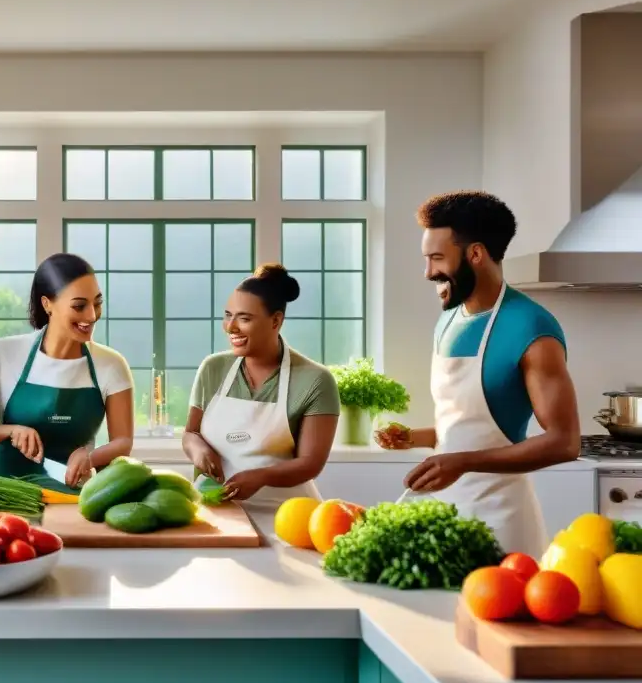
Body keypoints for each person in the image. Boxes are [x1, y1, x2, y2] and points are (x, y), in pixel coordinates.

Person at [375, 191, 581, 557]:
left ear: (475, 254)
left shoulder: (531, 327)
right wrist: (414, 437)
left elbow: (565, 442)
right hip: (443, 512)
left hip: (501, 521)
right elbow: (466, 426)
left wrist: (463, 462)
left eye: (437, 258)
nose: (428, 273)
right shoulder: (449, 319)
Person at [0, 253, 134, 494]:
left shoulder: (111, 364)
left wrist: (91, 455)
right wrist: (11, 430)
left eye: (97, 303)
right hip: (3, 495)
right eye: (79, 306)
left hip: (71, 496)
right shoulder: (3, 353)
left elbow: (123, 441)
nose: (91, 315)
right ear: (47, 304)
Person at [183, 263, 340, 509]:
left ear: (276, 320)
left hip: (286, 514)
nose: (231, 326)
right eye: (227, 315)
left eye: (244, 318)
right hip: (218, 512)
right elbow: (191, 433)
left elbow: (310, 463)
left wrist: (262, 476)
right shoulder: (213, 368)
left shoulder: (315, 380)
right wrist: (198, 449)